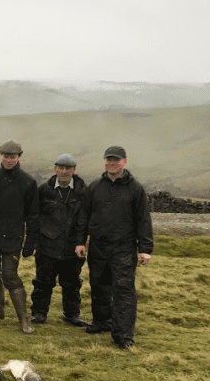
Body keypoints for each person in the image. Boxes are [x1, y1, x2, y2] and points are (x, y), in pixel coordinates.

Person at [75, 146, 153, 349]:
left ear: (125, 162)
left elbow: (143, 219)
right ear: (104, 162)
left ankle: (123, 335)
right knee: (99, 285)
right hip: (98, 246)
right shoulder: (95, 187)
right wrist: (80, 241)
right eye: (108, 160)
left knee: (123, 290)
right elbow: (83, 216)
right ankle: (102, 323)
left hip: (124, 248)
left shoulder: (135, 189)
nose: (112, 163)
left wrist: (145, 248)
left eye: (116, 160)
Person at [0, 139, 40, 334]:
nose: (8, 160)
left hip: (13, 238)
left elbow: (33, 215)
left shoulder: (28, 182)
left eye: (12, 157)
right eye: (5, 156)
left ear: (19, 157)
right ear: (1, 156)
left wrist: (30, 241)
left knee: (10, 276)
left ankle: (24, 319)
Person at [29, 153, 89, 327]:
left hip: (73, 248)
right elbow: (35, 215)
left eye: (68, 168)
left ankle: (71, 315)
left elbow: (84, 220)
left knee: (72, 284)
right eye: (61, 168)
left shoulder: (83, 192)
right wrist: (41, 234)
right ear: (55, 168)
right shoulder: (44, 190)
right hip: (47, 246)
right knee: (42, 282)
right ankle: (39, 314)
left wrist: (80, 242)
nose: (64, 171)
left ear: (74, 170)